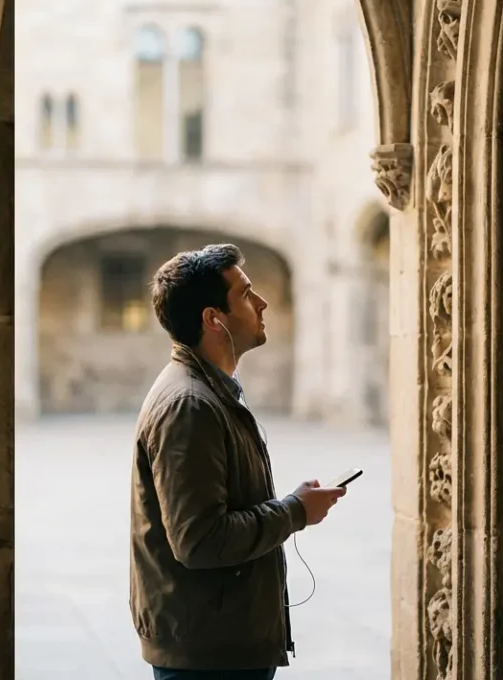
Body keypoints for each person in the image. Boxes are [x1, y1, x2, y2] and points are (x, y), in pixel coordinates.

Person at [129, 244, 349, 680]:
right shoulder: (189, 405)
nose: (262, 303)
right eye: (247, 295)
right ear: (214, 319)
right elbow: (200, 540)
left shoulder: (212, 390)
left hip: (221, 641)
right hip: (209, 656)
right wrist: (295, 510)